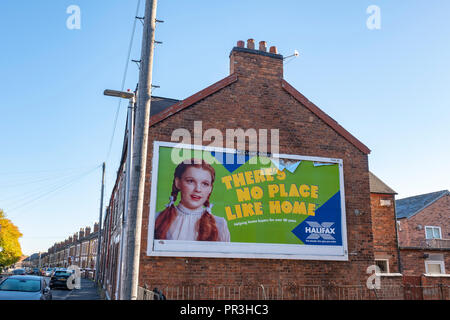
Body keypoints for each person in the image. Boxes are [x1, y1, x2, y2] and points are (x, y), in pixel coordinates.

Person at [154, 158, 230, 242]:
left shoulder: (220, 224)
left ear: (210, 189)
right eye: (190, 181)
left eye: (205, 184)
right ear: (178, 183)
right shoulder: (157, 219)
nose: (198, 189)